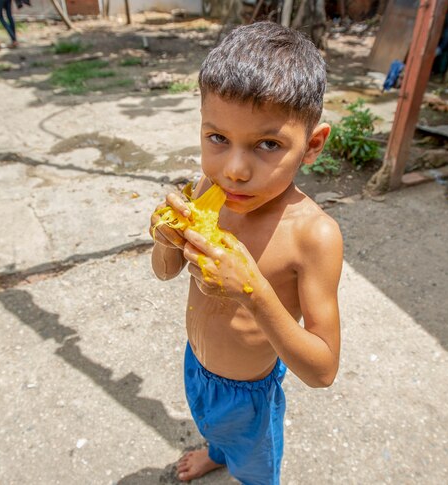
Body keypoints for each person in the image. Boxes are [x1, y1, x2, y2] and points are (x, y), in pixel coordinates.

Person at [149, 22, 343, 484]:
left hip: (249, 392)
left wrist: (252, 292)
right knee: (210, 424)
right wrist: (165, 238)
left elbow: (323, 370)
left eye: (268, 145)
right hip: (197, 365)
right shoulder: (205, 189)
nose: (234, 171)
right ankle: (217, 451)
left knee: (255, 469)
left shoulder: (313, 235)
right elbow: (165, 272)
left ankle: (241, 465)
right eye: (217, 138)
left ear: (312, 146)